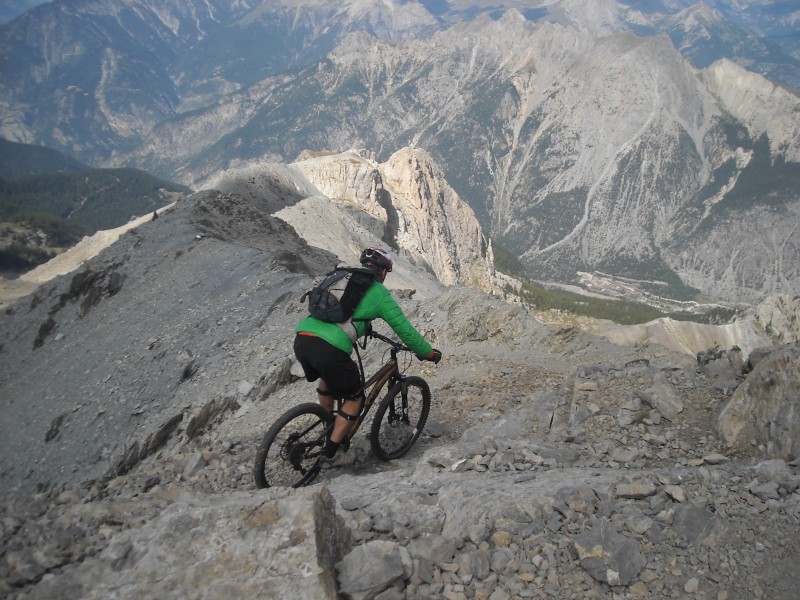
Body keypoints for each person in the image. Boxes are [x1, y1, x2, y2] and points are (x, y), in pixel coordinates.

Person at [293, 247, 442, 465]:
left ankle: (329, 426)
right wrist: (427, 353)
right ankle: (332, 453)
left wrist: (364, 326)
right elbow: (406, 331)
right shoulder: (379, 292)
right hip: (329, 348)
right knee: (355, 398)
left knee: (329, 381)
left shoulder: (343, 277)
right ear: (383, 271)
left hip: (303, 338)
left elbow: (341, 310)